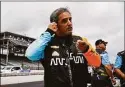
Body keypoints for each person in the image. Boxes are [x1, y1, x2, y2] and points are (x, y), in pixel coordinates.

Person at [25, 7, 101, 87]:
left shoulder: (81, 41)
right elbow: (30, 55)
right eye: (64, 21)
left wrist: (86, 50)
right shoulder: (47, 42)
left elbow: (97, 63)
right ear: (55, 25)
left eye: (70, 19)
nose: (69, 23)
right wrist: (48, 32)